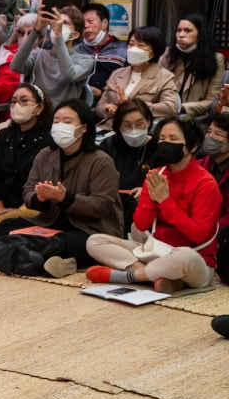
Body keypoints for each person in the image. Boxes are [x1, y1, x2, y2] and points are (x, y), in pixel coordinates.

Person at [86, 117, 218, 292]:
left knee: (184, 256)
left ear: (192, 147)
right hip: (156, 252)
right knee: (95, 241)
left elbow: (199, 235)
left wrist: (165, 201)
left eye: (173, 139)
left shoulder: (205, 183)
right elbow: (141, 224)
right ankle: (161, 278)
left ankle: (131, 276)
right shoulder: (156, 175)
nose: (165, 143)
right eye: (162, 139)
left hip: (194, 258)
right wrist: (152, 200)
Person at [0, 99, 121, 268]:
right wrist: (39, 198)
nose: (60, 125)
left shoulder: (101, 161)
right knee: (6, 226)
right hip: (50, 222)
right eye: (56, 121)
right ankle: (40, 257)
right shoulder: (45, 155)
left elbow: (101, 205)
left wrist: (65, 198)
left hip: (88, 229)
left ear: (84, 128)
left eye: (67, 122)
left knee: (73, 243)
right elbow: (28, 190)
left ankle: (34, 255)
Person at [0, 84, 52, 224]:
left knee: (31, 212)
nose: (17, 105)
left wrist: (22, 207)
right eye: (13, 101)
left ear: (39, 107)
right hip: (0, 203)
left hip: (28, 205)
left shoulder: (49, 140)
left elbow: (45, 181)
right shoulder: (4, 135)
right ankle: (1, 224)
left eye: (24, 101)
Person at [94, 26, 179, 130]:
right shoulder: (117, 74)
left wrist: (133, 107)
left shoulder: (164, 77)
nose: (134, 49)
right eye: (131, 44)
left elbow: (170, 107)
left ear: (154, 51)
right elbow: (100, 107)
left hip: (138, 131)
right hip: (109, 128)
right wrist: (109, 109)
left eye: (141, 45)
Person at [10, 8, 95, 105]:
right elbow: (15, 66)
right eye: (56, 21)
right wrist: (35, 31)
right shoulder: (39, 53)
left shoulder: (85, 60)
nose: (57, 25)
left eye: (65, 23)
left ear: (75, 35)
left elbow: (68, 76)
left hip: (62, 115)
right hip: (36, 112)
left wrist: (59, 36)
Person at [98, 99, 158, 232]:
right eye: (127, 126)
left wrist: (147, 192)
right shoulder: (109, 145)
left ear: (148, 122)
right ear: (118, 126)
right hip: (112, 206)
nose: (134, 130)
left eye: (139, 124)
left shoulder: (158, 148)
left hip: (145, 208)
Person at [159, 14, 225, 117]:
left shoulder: (216, 59)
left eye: (187, 31)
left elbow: (212, 101)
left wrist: (181, 107)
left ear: (200, 35)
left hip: (194, 117)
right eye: (178, 30)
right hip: (165, 113)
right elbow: (157, 89)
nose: (181, 35)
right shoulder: (167, 54)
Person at [195, 113, 229, 285]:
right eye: (209, 132)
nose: (210, 137)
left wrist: (211, 234)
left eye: (218, 134)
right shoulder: (198, 164)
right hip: (196, 227)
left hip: (220, 233)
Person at [75, 3, 127, 102]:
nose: (86, 26)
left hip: (108, 104)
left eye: (90, 21)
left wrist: (102, 93)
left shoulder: (123, 51)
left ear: (105, 23)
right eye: (83, 23)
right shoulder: (76, 50)